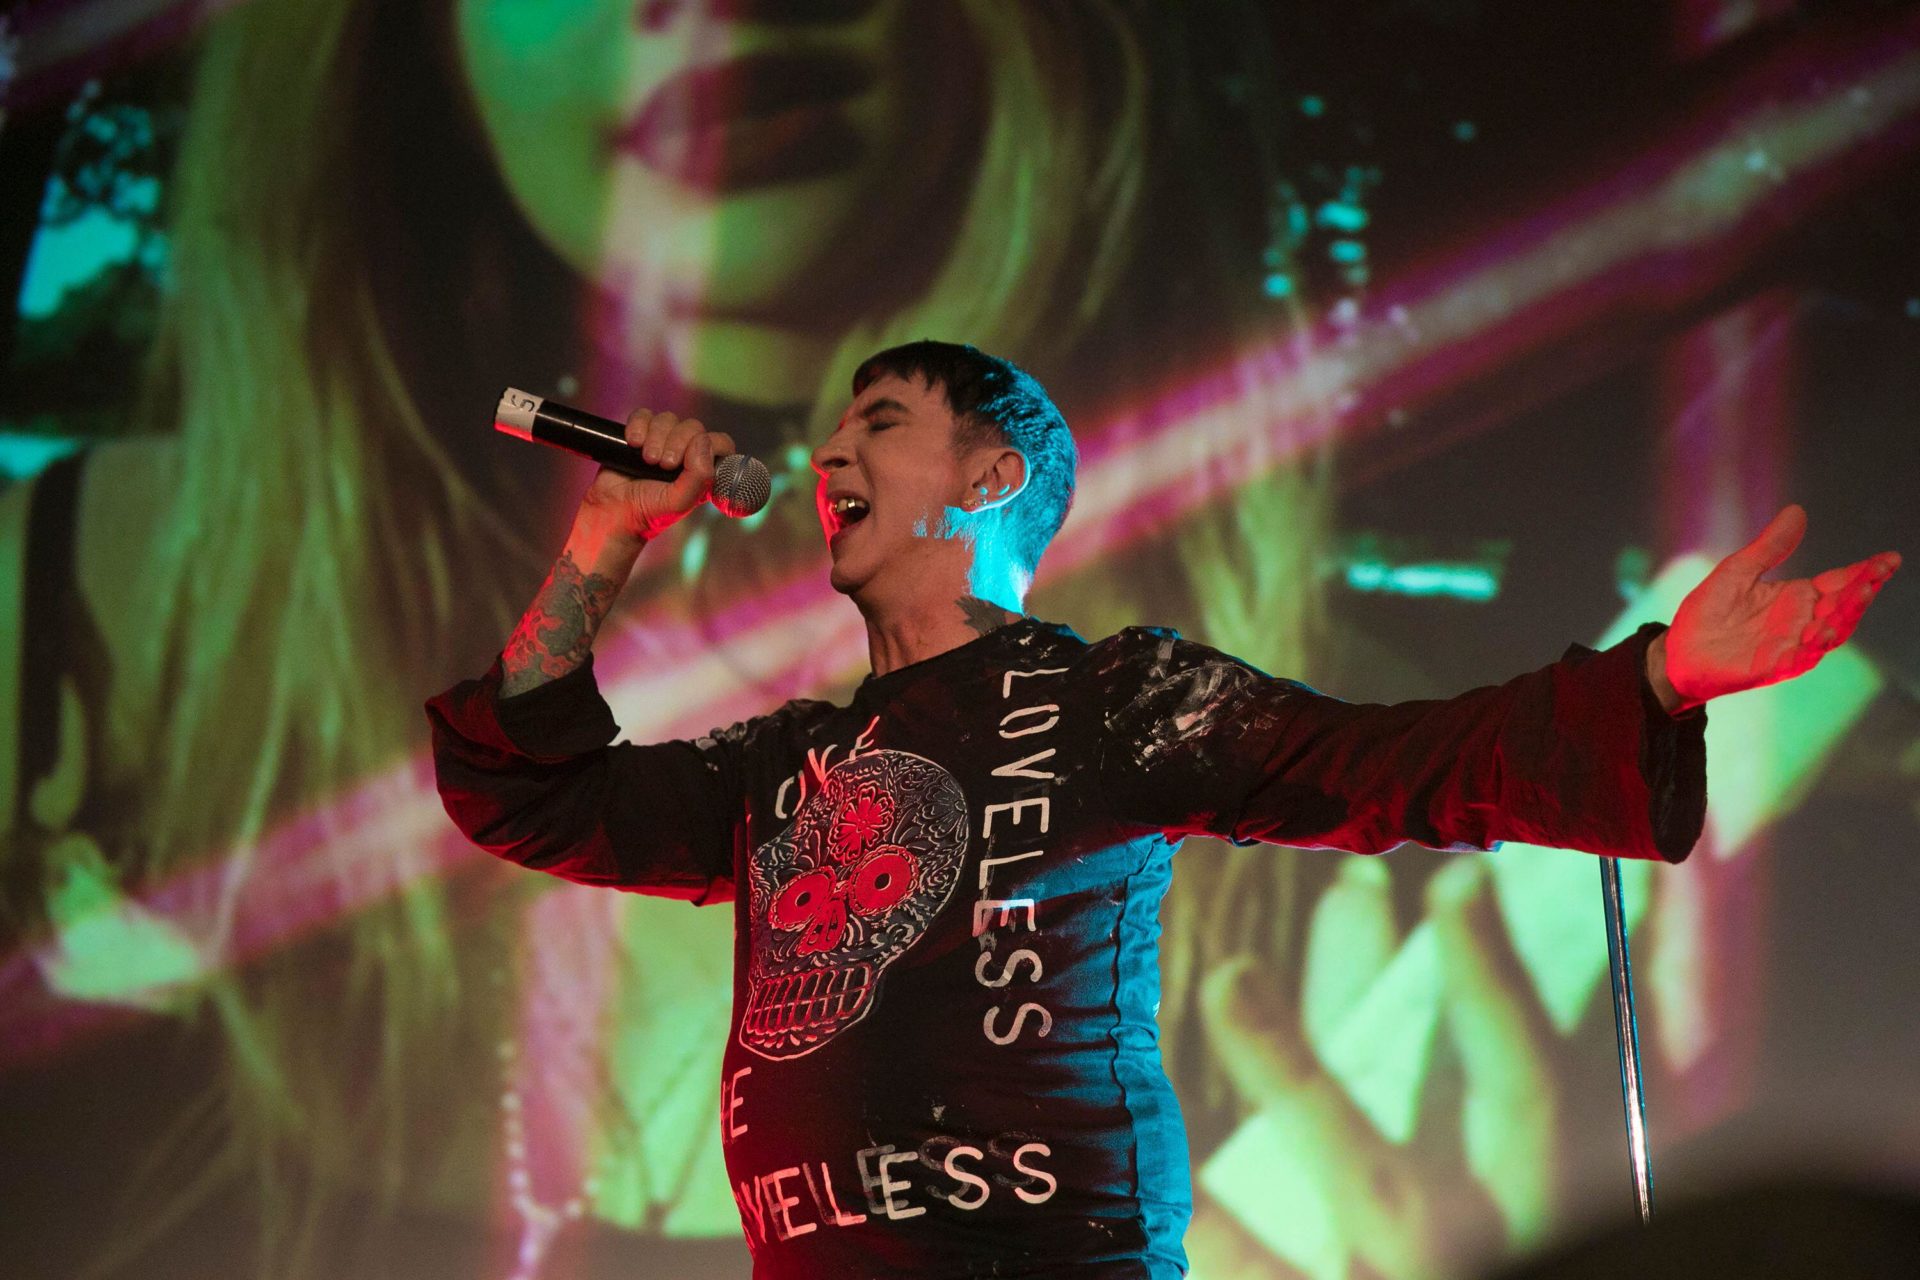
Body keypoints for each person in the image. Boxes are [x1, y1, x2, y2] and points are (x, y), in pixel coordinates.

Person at [427, 340, 1900, 1278]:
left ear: (985, 480)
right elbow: (526, 788)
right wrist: (610, 538)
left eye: (879, 420)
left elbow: (1397, 761)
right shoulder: (779, 767)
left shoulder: (1108, 701)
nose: (829, 460)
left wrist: (1663, 674)